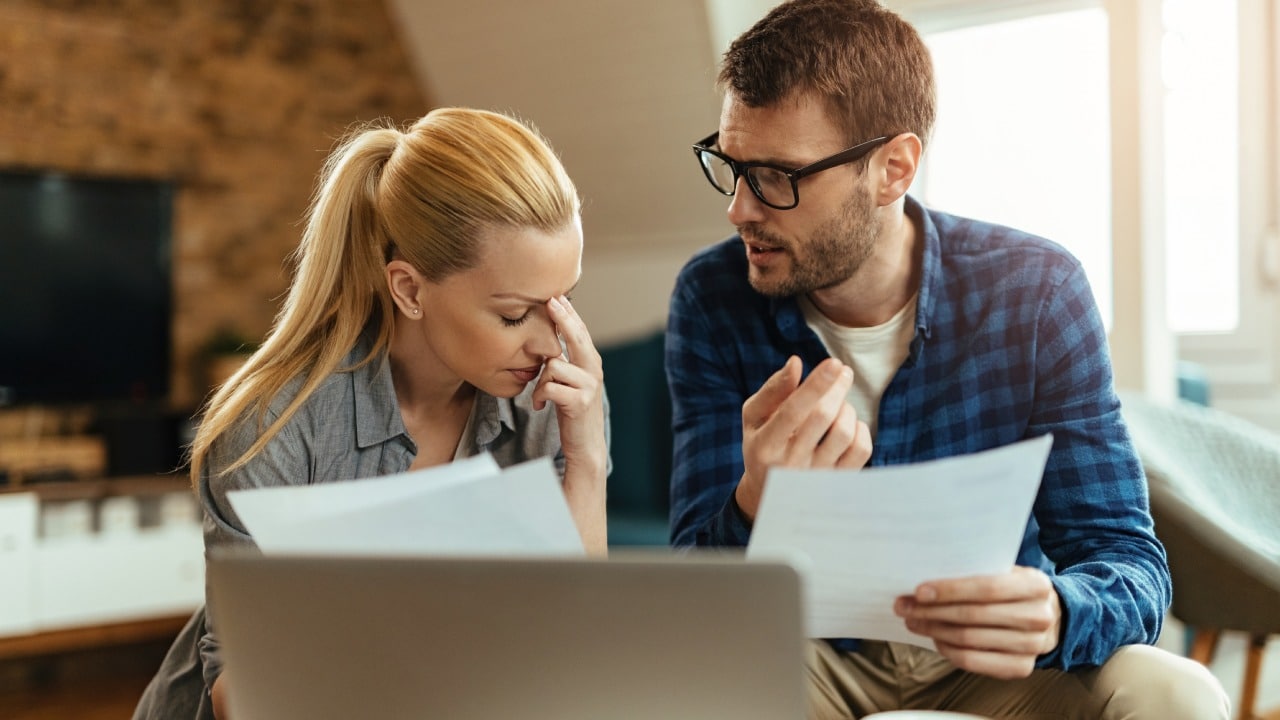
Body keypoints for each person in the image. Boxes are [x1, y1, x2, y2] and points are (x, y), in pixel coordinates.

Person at [666, 1, 1229, 718]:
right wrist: (754, 501)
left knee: (1178, 693)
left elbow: (1129, 560)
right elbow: (692, 593)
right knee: (679, 689)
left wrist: (1057, 612)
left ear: (893, 169)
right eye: (732, 165)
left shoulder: (1037, 291)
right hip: (811, 659)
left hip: (992, 662)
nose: (740, 209)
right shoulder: (711, 297)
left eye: (777, 175)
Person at [134, 107, 609, 720]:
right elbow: (239, 693)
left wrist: (586, 460)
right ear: (409, 289)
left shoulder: (555, 399)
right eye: (515, 315)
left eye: (564, 301)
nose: (550, 343)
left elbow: (577, 642)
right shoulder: (274, 425)